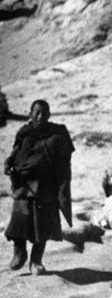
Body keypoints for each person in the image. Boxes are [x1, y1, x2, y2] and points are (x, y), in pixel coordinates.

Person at [4, 99, 74, 275]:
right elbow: (15, 153)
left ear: (49, 115)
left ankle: (36, 260)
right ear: (30, 114)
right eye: (37, 112)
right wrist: (8, 163)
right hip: (24, 185)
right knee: (19, 221)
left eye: (44, 113)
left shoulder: (57, 135)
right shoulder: (24, 133)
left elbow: (64, 162)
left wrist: (61, 188)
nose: (40, 116)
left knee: (42, 226)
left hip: (46, 187)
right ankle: (19, 252)